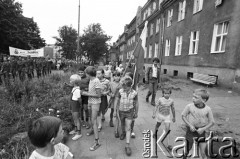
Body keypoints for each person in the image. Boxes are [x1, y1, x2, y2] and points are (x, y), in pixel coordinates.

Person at [182, 88, 215, 159]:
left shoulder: (207, 109)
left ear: (203, 100)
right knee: (187, 148)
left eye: (196, 97)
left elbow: (212, 122)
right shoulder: (189, 106)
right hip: (190, 130)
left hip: (201, 132)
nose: (193, 98)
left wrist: (203, 129)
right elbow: (183, 116)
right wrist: (190, 125)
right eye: (193, 96)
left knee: (204, 152)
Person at [114, 77, 139, 156]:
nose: (123, 88)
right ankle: (123, 133)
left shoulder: (134, 93)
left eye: (125, 86)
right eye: (122, 86)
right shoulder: (120, 91)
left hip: (130, 112)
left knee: (128, 127)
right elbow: (116, 100)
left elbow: (137, 103)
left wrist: (136, 112)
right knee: (122, 124)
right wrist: (114, 111)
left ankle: (127, 145)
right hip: (121, 111)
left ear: (130, 86)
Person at [82, 66, 101, 151]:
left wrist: (86, 94)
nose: (85, 74)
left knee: (94, 122)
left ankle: (97, 142)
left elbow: (98, 95)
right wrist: (87, 91)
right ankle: (93, 130)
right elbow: (93, 91)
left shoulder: (96, 81)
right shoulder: (91, 80)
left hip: (95, 103)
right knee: (92, 120)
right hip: (90, 102)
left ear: (89, 74)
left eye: (86, 73)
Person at [67, 74, 82, 140]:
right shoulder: (74, 88)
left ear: (74, 82)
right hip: (73, 104)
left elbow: (79, 99)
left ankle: (79, 133)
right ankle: (76, 129)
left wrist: (80, 106)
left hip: (75, 105)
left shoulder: (77, 90)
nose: (69, 81)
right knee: (74, 118)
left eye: (71, 80)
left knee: (77, 119)